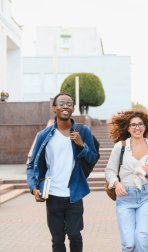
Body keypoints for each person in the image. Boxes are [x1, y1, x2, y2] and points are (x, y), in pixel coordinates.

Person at [26, 93, 99, 252]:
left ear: (73, 108)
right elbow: (32, 164)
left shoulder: (83, 131)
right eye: (61, 103)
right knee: (57, 239)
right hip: (52, 194)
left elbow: (93, 158)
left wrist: (81, 145)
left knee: (74, 234)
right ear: (54, 108)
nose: (65, 106)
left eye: (69, 103)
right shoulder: (44, 135)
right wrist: (33, 186)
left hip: (74, 193)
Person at [105, 110, 148, 252]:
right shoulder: (121, 146)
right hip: (125, 197)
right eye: (133, 125)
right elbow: (110, 171)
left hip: (146, 196)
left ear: (145, 126)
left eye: (140, 124)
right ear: (128, 128)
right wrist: (117, 183)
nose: (137, 128)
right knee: (129, 244)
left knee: (142, 240)